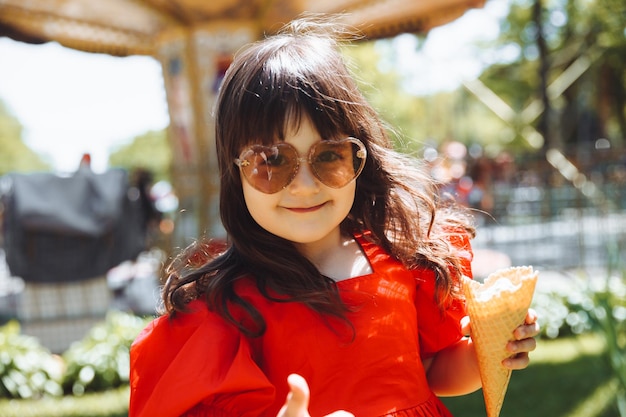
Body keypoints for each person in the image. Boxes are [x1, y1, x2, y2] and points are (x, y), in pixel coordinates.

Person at [129, 17, 540, 417]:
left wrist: (486, 354)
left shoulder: (401, 261)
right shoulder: (228, 309)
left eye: (328, 156)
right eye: (271, 161)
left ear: (361, 157)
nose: (305, 185)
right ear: (235, 173)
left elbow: (431, 372)